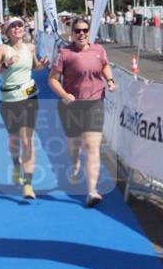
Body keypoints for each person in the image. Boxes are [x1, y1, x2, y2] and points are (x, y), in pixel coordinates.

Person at [48, 16, 115, 207]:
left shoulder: (98, 50)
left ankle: (92, 191)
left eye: (85, 30)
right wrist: (63, 94)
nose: (82, 34)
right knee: (74, 144)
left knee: (92, 146)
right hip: (71, 104)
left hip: (94, 102)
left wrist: (109, 80)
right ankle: (75, 162)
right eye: (77, 30)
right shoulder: (65, 53)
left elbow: (105, 66)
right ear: (72, 33)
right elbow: (52, 79)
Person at [0, 17, 49, 200]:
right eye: (13, 27)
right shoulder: (3, 50)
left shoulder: (30, 47)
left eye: (19, 25)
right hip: (8, 99)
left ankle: (28, 185)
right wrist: (6, 64)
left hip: (29, 96)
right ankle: (15, 164)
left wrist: (42, 65)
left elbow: (35, 66)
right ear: (7, 32)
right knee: (14, 139)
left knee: (26, 139)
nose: (17, 29)